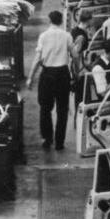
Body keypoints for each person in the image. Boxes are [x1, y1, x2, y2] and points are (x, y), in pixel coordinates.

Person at [26, 11, 76, 150]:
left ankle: (47, 139)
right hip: (63, 74)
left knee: (45, 108)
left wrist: (31, 77)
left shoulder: (43, 36)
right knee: (62, 109)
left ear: (50, 20)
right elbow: (75, 55)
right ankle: (60, 142)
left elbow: (37, 59)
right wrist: (75, 72)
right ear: (61, 21)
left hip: (48, 74)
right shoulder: (67, 36)